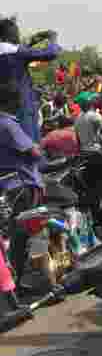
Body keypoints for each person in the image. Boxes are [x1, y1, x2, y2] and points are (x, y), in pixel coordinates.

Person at [0, 80, 44, 294]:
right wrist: (36, 146)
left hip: (5, 186)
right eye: (18, 99)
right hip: (20, 185)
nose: (20, 102)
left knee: (11, 236)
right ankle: (16, 283)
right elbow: (34, 152)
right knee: (21, 236)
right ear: (9, 101)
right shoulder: (8, 124)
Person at [0, 19, 61, 142]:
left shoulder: (9, 52)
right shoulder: (15, 51)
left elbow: (21, 53)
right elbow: (51, 53)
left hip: (4, 106)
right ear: (11, 34)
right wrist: (52, 39)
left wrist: (32, 43)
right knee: (29, 143)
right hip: (20, 105)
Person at [74, 94, 102, 230]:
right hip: (97, 154)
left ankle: (94, 220)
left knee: (90, 189)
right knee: (101, 187)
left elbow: (77, 140)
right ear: (90, 103)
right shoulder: (95, 116)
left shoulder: (77, 119)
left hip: (84, 154)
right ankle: (101, 221)